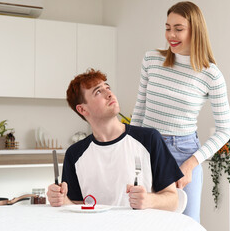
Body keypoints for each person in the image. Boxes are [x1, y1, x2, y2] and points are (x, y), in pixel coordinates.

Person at [131, 1, 230, 221]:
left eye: (179, 28)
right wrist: (130, 152)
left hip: (184, 154)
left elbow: (224, 130)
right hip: (147, 150)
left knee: (185, 224)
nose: (171, 35)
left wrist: (191, 164)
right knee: (144, 221)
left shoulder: (211, 75)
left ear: (195, 30)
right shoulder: (151, 60)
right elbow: (139, 110)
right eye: (168, 28)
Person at [47, 69, 184, 211]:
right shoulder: (74, 154)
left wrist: (148, 200)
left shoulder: (149, 139)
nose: (109, 94)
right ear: (82, 109)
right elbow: (77, 208)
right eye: (98, 92)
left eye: (107, 88)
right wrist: (63, 200)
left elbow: (173, 200)